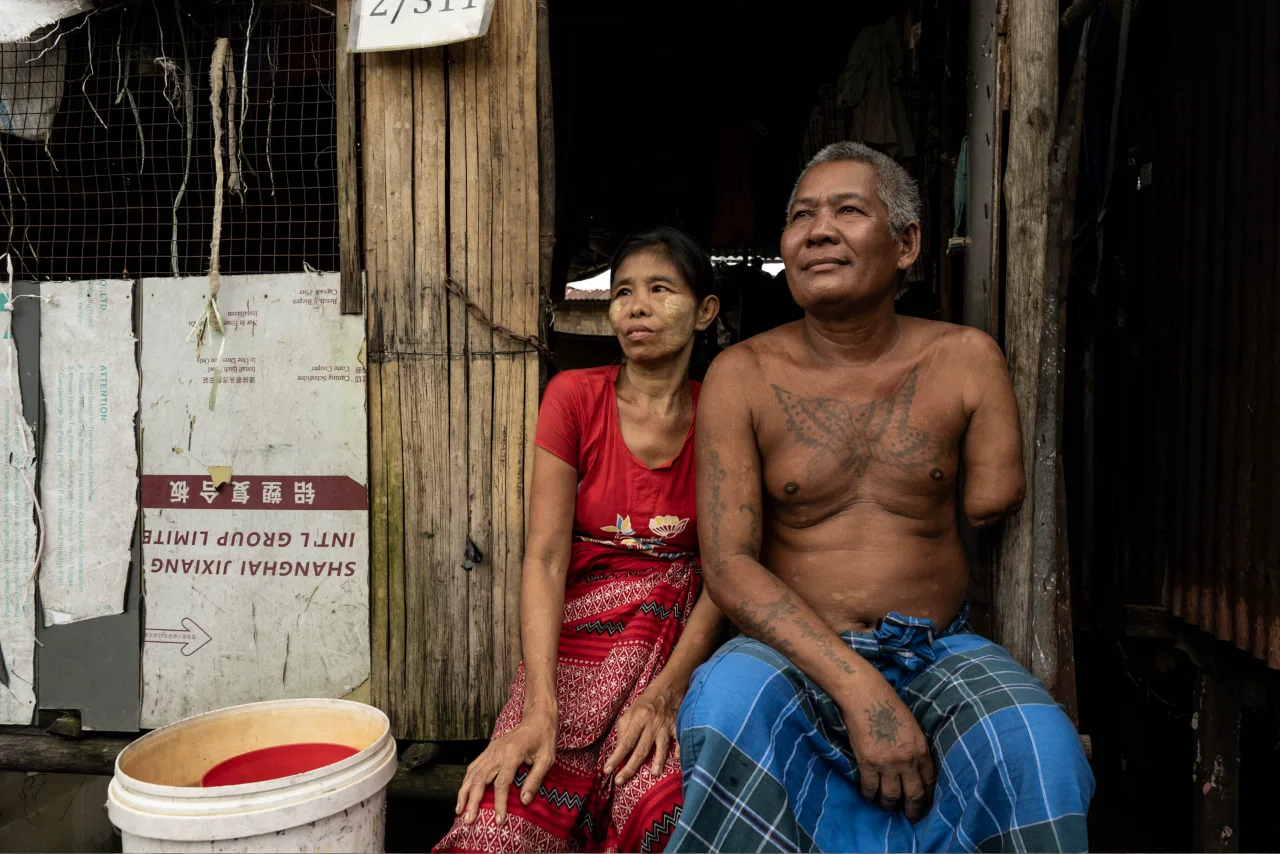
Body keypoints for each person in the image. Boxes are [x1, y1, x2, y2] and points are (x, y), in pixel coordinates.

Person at [667, 142, 1095, 853]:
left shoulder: (964, 359)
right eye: (801, 216)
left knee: (1040, 748)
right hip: (788, 652)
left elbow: (997, 497)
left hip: (933, 647)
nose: (818, 230)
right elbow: (731, 567)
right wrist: (863, 693)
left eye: (848, 211)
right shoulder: (742, 374)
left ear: (907, 244)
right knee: (724, 712)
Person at [435, 227, 725, 854]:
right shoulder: (573, 398)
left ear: (705, 311)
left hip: (677, 647)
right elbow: (543, 558)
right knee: (500, 820)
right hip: (578, 639)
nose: (636, 306)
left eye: (659, 289)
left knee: (658, 815)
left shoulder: (724, 412)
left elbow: (728, 571)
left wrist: (665, 696)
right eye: (622, 292)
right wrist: (539, 707)